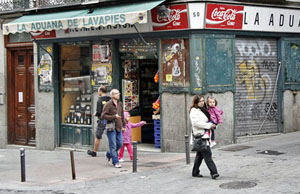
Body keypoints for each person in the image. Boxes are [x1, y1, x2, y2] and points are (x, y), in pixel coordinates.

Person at [189, 95, 219, 179]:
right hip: (200, 135)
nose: (202, 102)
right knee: (207, 154)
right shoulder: (193, 111)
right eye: (200, 101)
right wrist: (209, 125)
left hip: (206, 135)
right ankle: (214, 172)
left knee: (200, 155)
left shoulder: (204, 109)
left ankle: (195, 172)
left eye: (203, 101)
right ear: (196, 102)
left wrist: (214, 125)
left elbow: (212, 119)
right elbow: (196, 123)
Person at [101, 89, 126, 168]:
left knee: (120, 143)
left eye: (118, 93)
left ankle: (108, 154)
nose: (118, 95)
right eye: (116, 93)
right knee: (113, 145)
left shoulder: (120, 104)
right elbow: (103, 116)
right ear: (112, 95)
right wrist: (113, 117)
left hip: (118, 126)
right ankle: (116, 162)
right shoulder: (108, 104)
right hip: (111, 127)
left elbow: (122, 115)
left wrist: (124, 125)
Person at [87, 85, 111, 157]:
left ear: (100, 91)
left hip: (103, 120)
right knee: (111, 135)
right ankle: (112, 151)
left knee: (98, 135)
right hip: (110, 120)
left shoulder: (99, 100)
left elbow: (99, 111)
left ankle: (94, 152)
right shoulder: (110, 99)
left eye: (98, 90)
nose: (98, 92)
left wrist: (96, 114)